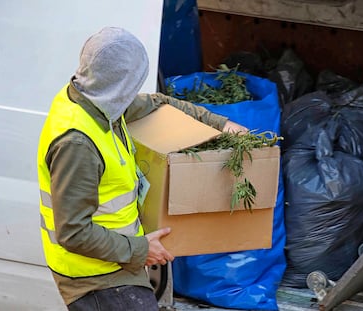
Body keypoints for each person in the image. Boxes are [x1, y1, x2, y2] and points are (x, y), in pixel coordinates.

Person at [37, 26, 247, 311]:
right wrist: (141, 250)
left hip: (116, 262)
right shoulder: (77, 144)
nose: (136, 91)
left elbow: (158, 104)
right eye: (134, 83)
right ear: (120, 83)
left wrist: (220, 125)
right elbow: (73, 232)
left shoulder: (97, 97)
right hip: (94, 278)